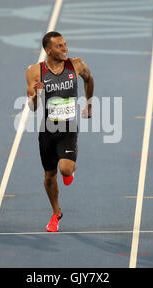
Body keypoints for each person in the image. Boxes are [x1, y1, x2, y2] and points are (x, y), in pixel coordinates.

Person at [26, 31, 94, 232]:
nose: (65, 49)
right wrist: (37, 95)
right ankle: (56, 213)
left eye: (65, 44)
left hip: (68, 128)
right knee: (49, 176)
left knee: (65, 169)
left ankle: (68, 170)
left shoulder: (77, 65)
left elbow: (89, 80)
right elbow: (32, 107)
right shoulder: (34, 72)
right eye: (59, 46)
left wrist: (88, 104)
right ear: (48, 50)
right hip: (47, 129)